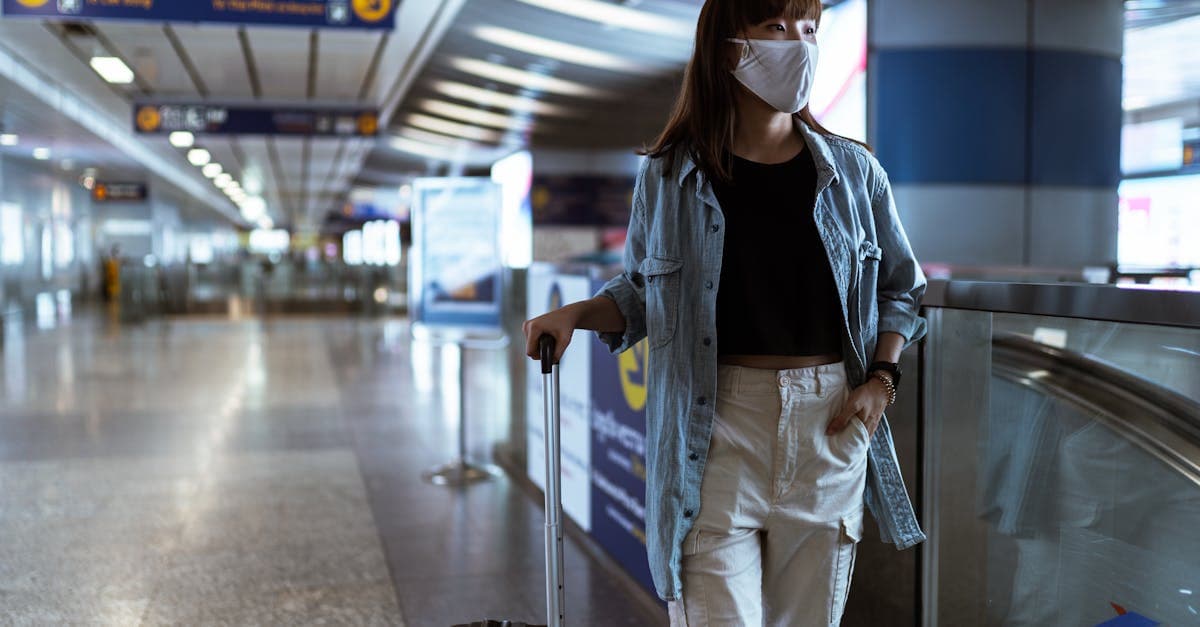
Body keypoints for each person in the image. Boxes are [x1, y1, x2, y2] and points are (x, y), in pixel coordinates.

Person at [523, 0, 927, 624]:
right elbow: (641, 294)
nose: (799, 44)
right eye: (776, 27)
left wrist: (883, 379)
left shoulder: (856, 174)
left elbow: (901, 288)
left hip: (830, 422)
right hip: (712, 428)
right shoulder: (670, 175)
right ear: (727, 48)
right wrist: (576, 313)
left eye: (809, 28)